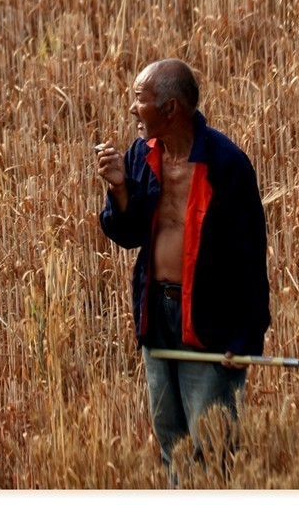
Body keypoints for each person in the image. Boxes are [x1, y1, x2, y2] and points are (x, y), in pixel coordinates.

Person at [96, 58, 270, 478]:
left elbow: (251, 257)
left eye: (141, 101)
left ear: (170, 109)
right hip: (157, 315)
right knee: (171, 439)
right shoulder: (142, 153)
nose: (133, 110)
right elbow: (130, 232)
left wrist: (246, 337)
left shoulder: (227, 166)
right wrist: (119, 187)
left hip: (210, 322)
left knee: (211, 450)